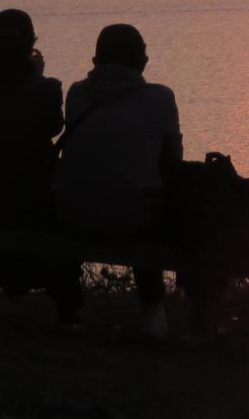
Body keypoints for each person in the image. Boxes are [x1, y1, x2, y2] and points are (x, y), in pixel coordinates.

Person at [54, 23, 183, 338]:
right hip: (134, 221)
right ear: (141, 62)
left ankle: (68, 310)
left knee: (92, 187)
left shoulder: (77, 94)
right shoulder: (161, 98)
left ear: (96, 61)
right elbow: (173, 162)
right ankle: (153, 309)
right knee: (143, 198)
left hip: (75, 217)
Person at [0, 8, 81, 322]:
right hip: (32, 202)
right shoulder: (46, 88)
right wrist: (37, 76)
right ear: (31, 46)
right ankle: (66, 301)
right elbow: (54, 127)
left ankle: (26, 283)